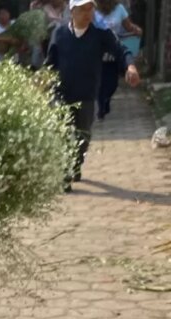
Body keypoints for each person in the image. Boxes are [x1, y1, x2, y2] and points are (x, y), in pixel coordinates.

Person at [46, 0, 140, 191]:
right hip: (61, 92)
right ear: (72, 11)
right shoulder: (59, 33)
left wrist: (130, 66)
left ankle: (75, 164)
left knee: (83, 134)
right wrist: (42, 80)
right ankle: (65, 172)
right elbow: (50, 62)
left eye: (91, 9)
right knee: (63, 130)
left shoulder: (100, 34)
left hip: (87, 93)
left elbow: (121, 50)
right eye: (83, 9)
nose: (88, 13)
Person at [96, 0, 142, 119]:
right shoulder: (92, 9)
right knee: (99, 83)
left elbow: (128, 26)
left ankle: (106, 100)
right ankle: (101, 107)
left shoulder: (119, 9)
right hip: (97, 53)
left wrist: (135, 30)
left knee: (112, 84)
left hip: (114, 51)